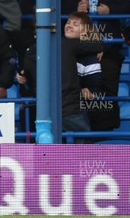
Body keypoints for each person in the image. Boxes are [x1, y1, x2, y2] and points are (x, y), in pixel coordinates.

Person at [17, 12, 104, 140]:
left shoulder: (32, 50)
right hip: (65, 111)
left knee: (69, 151)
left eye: (75, 24)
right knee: (83, 149)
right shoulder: (37, 50)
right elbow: (29, 85)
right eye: (68, 22)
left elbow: (99, 87)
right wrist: (23, 80)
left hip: (54, 111)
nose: (69, 26)